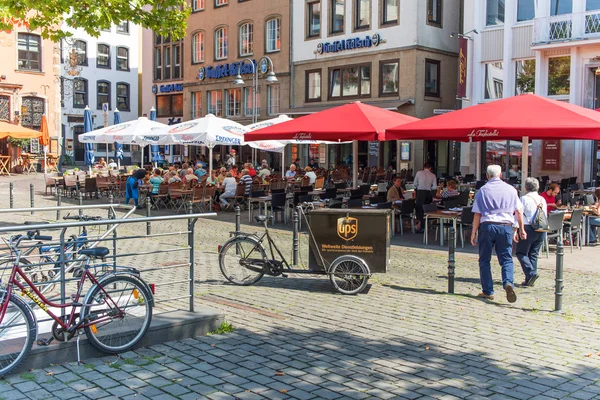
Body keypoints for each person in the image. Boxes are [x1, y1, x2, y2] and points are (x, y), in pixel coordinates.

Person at [471, 165, 525, 303]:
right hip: (505, 227)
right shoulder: (511, 190)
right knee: (506, 258)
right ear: (501, 175)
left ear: (487, 176)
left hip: (487, 226)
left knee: (484, 259)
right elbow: (519, 212)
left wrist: (473, 233)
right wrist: (521, 229)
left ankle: (488, 291)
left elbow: (477, 214)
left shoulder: (482, 191)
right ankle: (508, 283)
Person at [516, 178, 547, 287]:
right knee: (533, 254)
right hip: (541, 229)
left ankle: (531, 273)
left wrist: (517, 230)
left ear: (526, 187)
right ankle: (530, 279)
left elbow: (518, 215)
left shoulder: (523, 199)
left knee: (521, 253)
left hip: (528, 228)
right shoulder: (542, 199)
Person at [414, 163, 437, 233]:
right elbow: (434, 187)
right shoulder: (433, 175)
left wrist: (417, 188)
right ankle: (425, 226)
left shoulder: (419, 173)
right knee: (426, 210)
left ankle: (420, 226)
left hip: (420, 192)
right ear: (430, 168)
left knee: (419, 210)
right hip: (428, 193)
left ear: (424, 167)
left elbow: (415, 183)